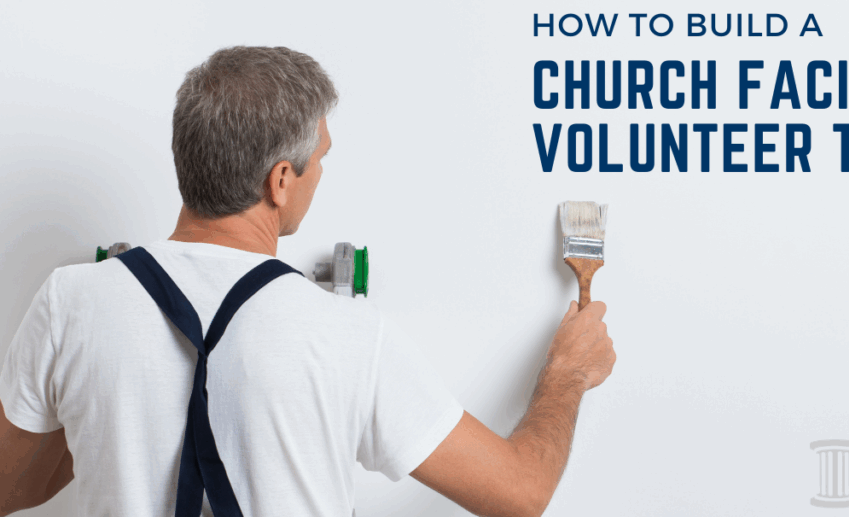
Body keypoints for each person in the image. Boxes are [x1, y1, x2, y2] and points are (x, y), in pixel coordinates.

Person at [0, 46, 615, 517]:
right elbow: (520, 492)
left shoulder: (71, 301)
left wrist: (107, 403)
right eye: (320, 158)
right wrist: (568, 373)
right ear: (281, 180)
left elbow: (9, 487)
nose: (321, 172)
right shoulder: (346, 336)